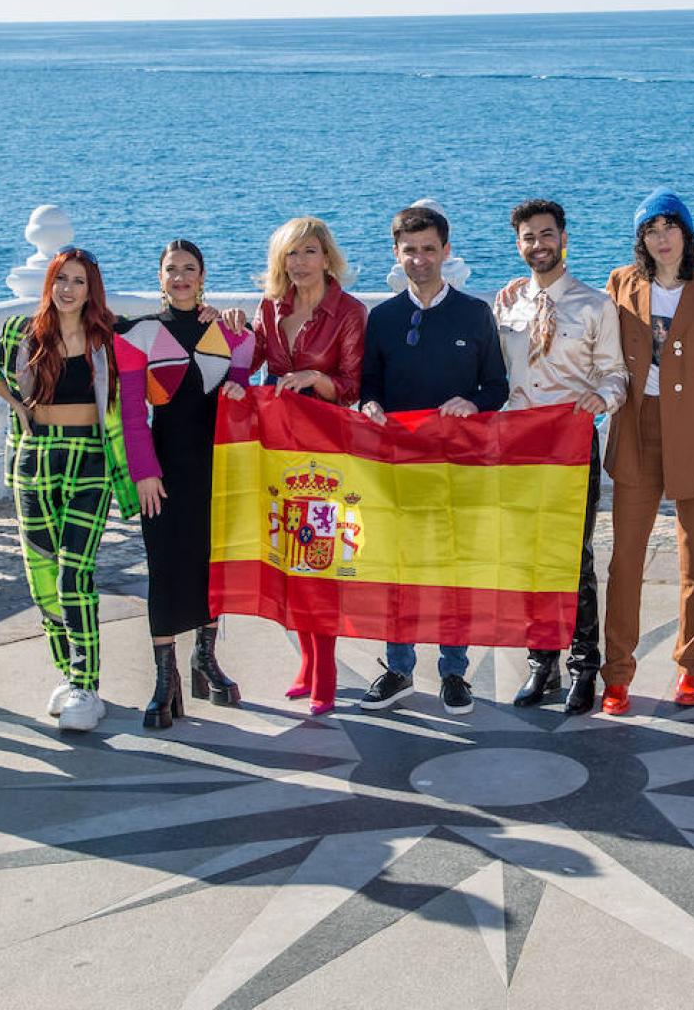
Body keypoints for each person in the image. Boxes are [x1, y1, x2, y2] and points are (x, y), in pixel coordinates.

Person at [0, 246, 138, 734]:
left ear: (93, 289)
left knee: (75, 573)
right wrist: (20, 406)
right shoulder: (23, 333)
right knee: (43, 577)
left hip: (90, 458)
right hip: (36, 460)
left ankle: (87, 685)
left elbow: (170, 338)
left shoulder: (111, 335)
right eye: (61, 279)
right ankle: (69, 675)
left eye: (78, 281)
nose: (68, 289)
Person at [356, 206, 509, 713]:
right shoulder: (381, 318)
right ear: (396, 255)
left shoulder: (474, 313)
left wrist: (474, 402)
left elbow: (498, 386)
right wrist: (369, 404)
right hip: (396, 468)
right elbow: (369, 385)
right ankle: (398, 669)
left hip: (459, 467)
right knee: (398, 571)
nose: (419, 259)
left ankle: (454, 673)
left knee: (452, 573)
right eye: (410, 251)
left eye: (428, 249)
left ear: (446, 251)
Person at [601, 189, 694, 715]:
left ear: (686, 234)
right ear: (641, 238)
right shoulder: (621, 284)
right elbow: (590, 336)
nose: (661, 237)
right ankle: (617, 674)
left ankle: (690, 667)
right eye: (651, 229)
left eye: (670, 226)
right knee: (624, 563)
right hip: (636, 434)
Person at [222, 216, 366, 715]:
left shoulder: (348, 312)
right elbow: (248, 361)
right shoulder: (270, 307)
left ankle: (324, 670)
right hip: (280, 449)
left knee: (320, 558)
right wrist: (234, 337)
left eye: (308, 252)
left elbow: (352, 386)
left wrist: (314, 378)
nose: (299, 262)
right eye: (291, 253)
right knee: (289, 553)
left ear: (327, 257)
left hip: (327, 452)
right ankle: (306, 662)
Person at [494, 199, 628, 714]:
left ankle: (582, 665)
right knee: (530, 557)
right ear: (518, 244)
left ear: (563, 237)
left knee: (574, 557)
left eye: (546, 235)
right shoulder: (506, 306)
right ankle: (540, 664)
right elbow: (495, 375)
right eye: (528, 237)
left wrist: (604, 397)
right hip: (521, 446)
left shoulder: (594, 306)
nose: (538, 245)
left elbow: (616, 372)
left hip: (571, 443)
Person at [115, 240, 254, 728]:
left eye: (189, 269)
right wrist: (144, 472)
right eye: (171, 269)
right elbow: (131, 413)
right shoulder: (138, 335)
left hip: (217, 470)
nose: (180, 277)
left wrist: (239, 380)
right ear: (159, 277)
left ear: (203, 276)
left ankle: (205, 659)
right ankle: (164, 675)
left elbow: (246, 371)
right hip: (164, 469)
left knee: (209, 564)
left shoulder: (228, 330)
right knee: (165, 569)